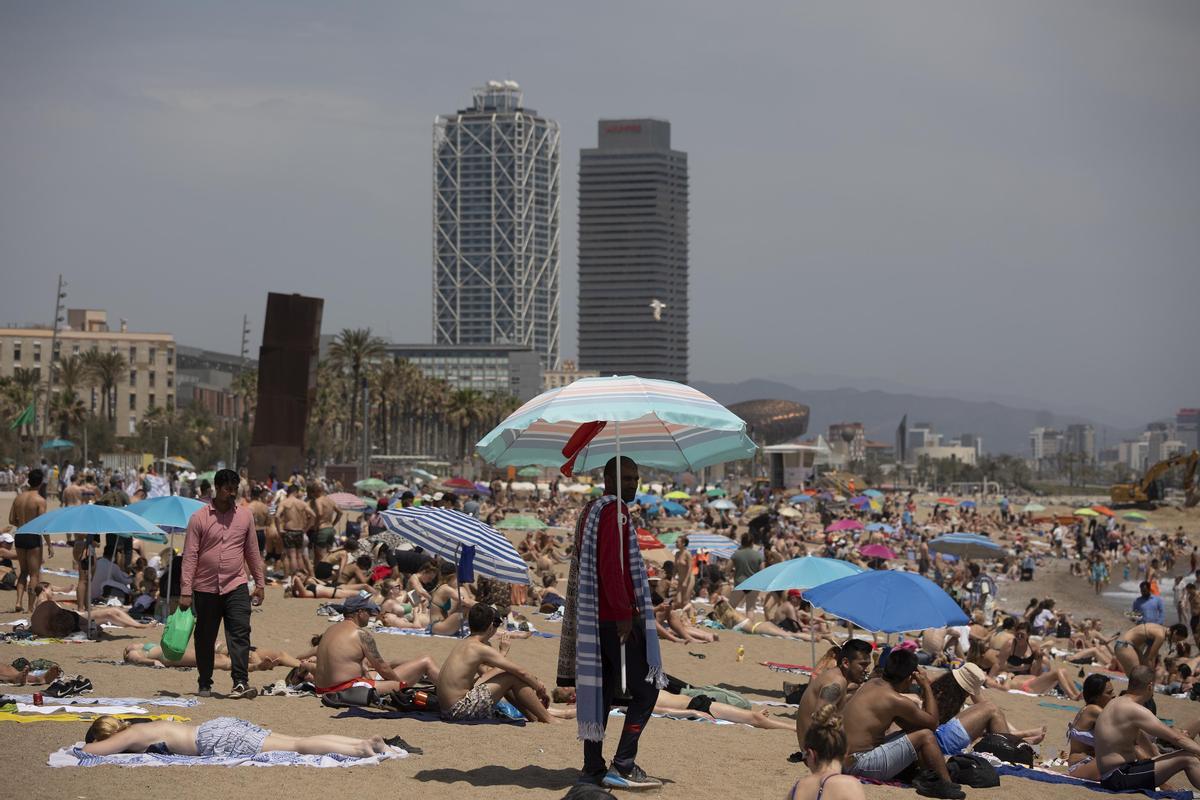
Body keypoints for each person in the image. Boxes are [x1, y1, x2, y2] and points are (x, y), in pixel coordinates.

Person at [556, 455, 664, 790]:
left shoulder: (592, 509)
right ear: (609, 478)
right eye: (628, 478)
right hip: (613, 618)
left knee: (600, 691)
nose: (634, 484)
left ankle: (592, 767)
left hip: (595, 616)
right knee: (646, 690)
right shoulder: (614, 512)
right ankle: (623, 763)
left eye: (636, 478)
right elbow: (611, 567)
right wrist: (622, 613)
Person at [179, 468, 265, 700]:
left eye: (235, 489)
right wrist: (186, 590)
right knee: (205, 637)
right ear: (217, 489)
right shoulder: (199, 518)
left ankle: (240, 682)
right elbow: (190, 556)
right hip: (205, 588)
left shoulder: (245, 516)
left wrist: (260, 582)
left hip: (236, 585)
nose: (232, 493)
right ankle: (205, 681)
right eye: (228, 489)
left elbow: (252, 551)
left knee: (240, 633)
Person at [840, 648, 963, 798]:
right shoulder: (895, 700)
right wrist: (926, 686)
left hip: (843, 760)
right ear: (910, 677)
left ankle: (929, 777)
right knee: (926, 736)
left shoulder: (872, 683)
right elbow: (933, 723)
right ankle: (946, 784)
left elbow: (911, 726)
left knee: (917, 733)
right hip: (859, 765)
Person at [436, 603, 555, 723]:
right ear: (490, 627)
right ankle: (549, 718)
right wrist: (539, 688)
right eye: (497, 624)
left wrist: (534, 679)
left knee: (507, 677)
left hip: (447, 710)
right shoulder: (479, 648)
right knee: (511, 677)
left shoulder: (465, 642)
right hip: (458, 711)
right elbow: (520, 672)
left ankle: (535, 718)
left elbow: (489, 673)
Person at [81, 715, 390, 758]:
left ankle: (360, 747)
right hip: (217, 728)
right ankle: (361, 742)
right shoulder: (143, 725)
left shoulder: (131, 734)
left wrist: (88, 745)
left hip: (215, 739)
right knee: (297, 740)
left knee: (297, 746)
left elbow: (91, 752)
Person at [1094, 666, 1200, 791]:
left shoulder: (1116, 703)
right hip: (1118, 777)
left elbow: (1144, 741)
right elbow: (1176, 738)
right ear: (1150, 686)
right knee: (1188, 758)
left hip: (1114, 774)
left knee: (1184, 754)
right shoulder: (1133, 709)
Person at [313, 593, 418, 694]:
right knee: (422, 665)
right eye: (368, 611)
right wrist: (399, 683)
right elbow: (383, 668)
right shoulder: (361, 634)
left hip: (321, 688)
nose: (370, 615)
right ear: (360, 612)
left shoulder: (330, 629)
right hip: (343, 688)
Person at [795, 639, 873, 748]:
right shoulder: (836, 683)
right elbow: (819, 719)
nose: (867, 670)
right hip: (818, 753)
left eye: (868, 665)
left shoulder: (836, 676)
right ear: (846, 663)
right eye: (862, 665)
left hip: (814, 749)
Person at [787, 705, 868, 800]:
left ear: (812, 754)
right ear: (846, 752)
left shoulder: (799, 788)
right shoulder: (850, 785)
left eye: (805, 755)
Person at [9, 467, 48, 612]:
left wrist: (22, 523)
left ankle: (18, 602)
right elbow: (43, 524)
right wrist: (49, 545)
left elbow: (12, 519)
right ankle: (30, 607)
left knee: (23, 571)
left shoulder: (18, 498)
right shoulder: (40, 500)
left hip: (20, 535)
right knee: (34, 574)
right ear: (41, 482)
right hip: (33, 537)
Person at [1066, 674, 1118, 779]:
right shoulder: (1093, 710)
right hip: (1080, 766)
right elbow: (1121, 724)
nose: (1114, 695)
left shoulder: (1093, 710)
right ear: (1097, 697)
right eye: (1109, 692)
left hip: (1091, 764)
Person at [1112, 621, 1189, 677]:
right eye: (1178, 639)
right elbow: (1150, 658)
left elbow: (1147, 655)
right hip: (1125, 646)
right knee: (1137, 677)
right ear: (1175, 632)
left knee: (1137, 677)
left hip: (1124, 645)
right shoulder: (1160, 636)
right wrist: (1152, 676)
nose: (1176, 641)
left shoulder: (1160, 629)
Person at [276, 484, 315, 578]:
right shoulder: (302, 503)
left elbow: (277, 516)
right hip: (299, 531)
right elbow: (313, 515)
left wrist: (279, 529)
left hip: (289, 531)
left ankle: (295, 576)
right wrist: (306, 529)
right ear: (296, 492)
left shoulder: (284, 503)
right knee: (299, 555)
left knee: (292, 555)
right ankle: (301, 576)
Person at [729, 533, 763, 614]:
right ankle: (750, 626)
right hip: (753, 585)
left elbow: (727, 568)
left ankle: (726, 624)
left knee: (731, 607)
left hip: (740, 583)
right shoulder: (758, 555)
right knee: (750, 609)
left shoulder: (736, 554)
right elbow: (762, 572)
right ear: (752, 543)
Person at [307, 482, 341, 564]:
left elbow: (320, 513)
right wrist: (333, 523)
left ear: (317, 491)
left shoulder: (318, 500)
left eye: (314, 492)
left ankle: (323, 574)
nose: (313, 494)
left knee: (321, 555)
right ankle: (320, 572)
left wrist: (315, 525)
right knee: (328, 554)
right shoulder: (330, 501)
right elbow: (340, 512)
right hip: (330, 529)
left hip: (322, 529)